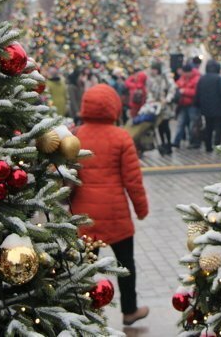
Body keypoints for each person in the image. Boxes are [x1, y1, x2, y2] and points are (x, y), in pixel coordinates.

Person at [70, 84, 150, 326]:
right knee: (126, 264)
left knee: (85, 267)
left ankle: (85, 312)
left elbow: (69, 176)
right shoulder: (121, 136)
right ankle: (129, 310)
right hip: (116, 215)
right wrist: (141, 208)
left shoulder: (76, 137)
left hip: (84, 215)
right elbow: (133, 180)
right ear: (114, 106)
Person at [195, 60, 221, 152]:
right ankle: (217, 145)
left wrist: (199, 106)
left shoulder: (202, 78)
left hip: (206, 108)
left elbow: (197, 94)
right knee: (218, 128)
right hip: (218, 108)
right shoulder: (218, 78)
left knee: (208, 127)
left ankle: (208, 146)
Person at [146, 61, 176, 155]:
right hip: (156, 105)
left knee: (166, 125)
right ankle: (162, 143)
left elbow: (172, 89)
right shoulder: (151, 79)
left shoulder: (166, 79)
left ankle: (168, 144)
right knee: (159, 126)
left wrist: (167, 99)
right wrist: (151, 100)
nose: (153, 71)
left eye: (154, 69)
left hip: (165, 106)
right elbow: (149, 91)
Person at [172, 63, 200, 149]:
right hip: (183, 104)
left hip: (193, 105)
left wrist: (184, 91)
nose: (183, 75)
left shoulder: (197, 78)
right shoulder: (183, 77)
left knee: (193, 124)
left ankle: (193, 142)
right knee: (180, 123)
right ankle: (176, 142)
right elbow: (177, 85)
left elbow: (196, 92)